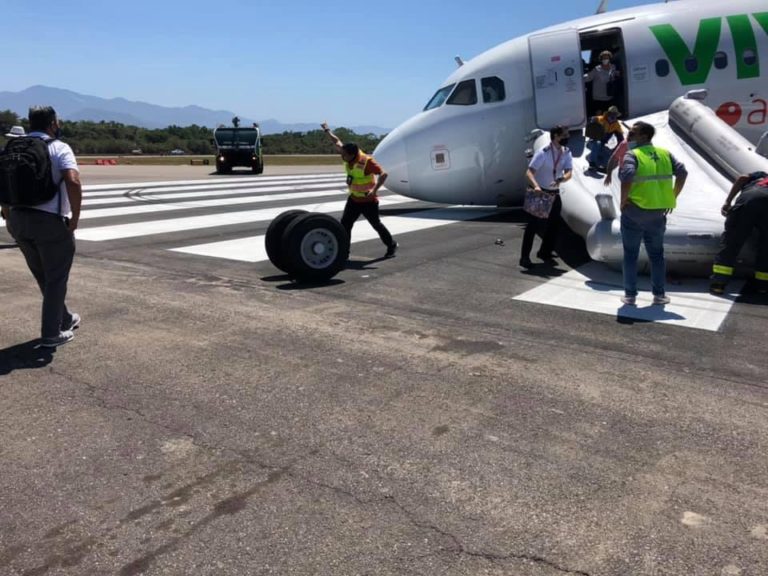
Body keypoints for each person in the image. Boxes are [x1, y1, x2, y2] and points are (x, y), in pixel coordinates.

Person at [3, 107, 82, 347]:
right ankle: (51, 334)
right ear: (52, 124)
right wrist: (75, 219)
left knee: (44, 276)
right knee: (56, 279)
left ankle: (65, 318)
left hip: (17, 220)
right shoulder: (59, 147)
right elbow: (73, 181)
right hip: (48, 222)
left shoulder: (14, 148)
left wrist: (7, 216)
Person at [618, 121, 687, 306]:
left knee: (630, 254)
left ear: (645, 136)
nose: (629, 135)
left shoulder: (632, 155)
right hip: (657, 214)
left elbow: (627, 176)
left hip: (634, 212)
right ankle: (659, 295)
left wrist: (623, 200)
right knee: (656, 255)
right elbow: (682, 173)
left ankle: (630, 296)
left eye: (633, 133)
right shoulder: (665, 154)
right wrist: (672, 197)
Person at [321, 122, 397, 258]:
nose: (341, 156)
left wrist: (374, 191)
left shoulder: (367, 162)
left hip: (368, 201)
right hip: (354, 199)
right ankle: (344, 252)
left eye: (344, 154)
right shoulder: (347, 155)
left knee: (376, 224)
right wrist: (327, 130)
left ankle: (391, 245)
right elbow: (337, 141)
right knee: (345, 225)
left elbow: (383, 174)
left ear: (351, 154)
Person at [520, 125, 573, 268]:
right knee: (532, 226)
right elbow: (529, 172)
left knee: (554, 225)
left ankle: (544, 252)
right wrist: (536, 186)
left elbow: (569, 172)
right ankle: (524, 257)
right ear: (556, 136)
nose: (567, 138)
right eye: (565, 135)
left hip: (554, 193)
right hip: (540, 192)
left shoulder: (566, 152)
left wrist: (562, 179)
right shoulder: (543, 153)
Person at [709, 172, 768, 295]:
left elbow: (742, 178)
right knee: (766, 248)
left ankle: (718, 284)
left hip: (748, 201)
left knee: (732, 243)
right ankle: (763, 286)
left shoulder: (760, 175)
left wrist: (728, 201)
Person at [588, 105, 625, 171]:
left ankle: (604, 168)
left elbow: (621, 140)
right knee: (597, 143)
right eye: (611, 114)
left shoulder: (616, 125)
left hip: (602, 146)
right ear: (607, 114)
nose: (613, 116)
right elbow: (590, 122)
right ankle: (592, 164)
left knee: (611, 157)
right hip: (592, 143)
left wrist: (615, 150)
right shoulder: (599, 119)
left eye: (615, 115)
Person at [584, 50, 620, 115]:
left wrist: (618, 74)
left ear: (609, 58)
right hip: (599, 98)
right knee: (599, 117)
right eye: (603, 58)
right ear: (601, 59)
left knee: (609, 116)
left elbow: (616, 75)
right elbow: (588, 77)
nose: (605, 59)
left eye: (606, 58)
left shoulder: (613, 67)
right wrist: (580, 78)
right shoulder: (597, 69)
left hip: (609, 97)